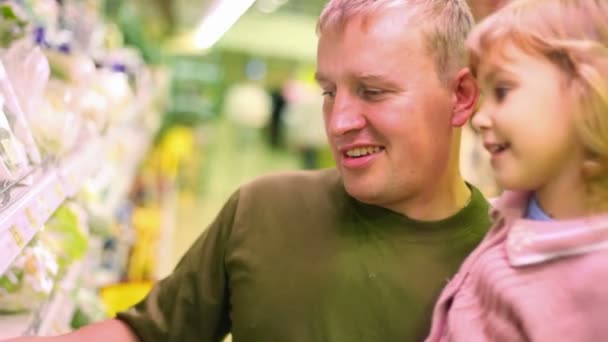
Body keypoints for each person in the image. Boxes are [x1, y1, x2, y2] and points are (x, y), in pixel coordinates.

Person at [3, 1, 490, 341]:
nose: (338, 122)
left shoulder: (508, 269)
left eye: (374, 91)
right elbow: (150, 333)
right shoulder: (262, 209)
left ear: (461, 97)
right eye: (328, 92)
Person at [426, 0, 608, 341]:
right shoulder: (516, 211)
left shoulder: (595, 285)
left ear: (588, 92)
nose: (479, 118)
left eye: (503, 91)